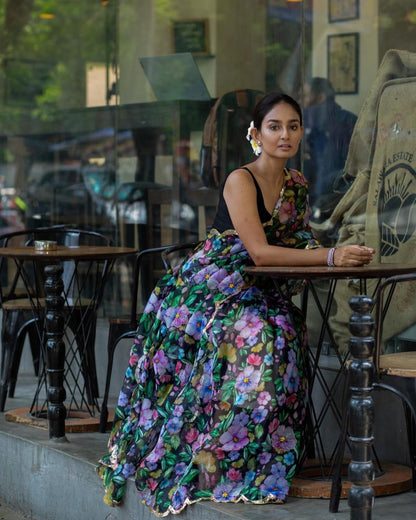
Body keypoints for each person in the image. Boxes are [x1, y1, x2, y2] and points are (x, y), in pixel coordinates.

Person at [97, 92, 374, 516]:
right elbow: (260, 251)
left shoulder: (296, 185)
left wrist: (335, 249)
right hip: (211, 283)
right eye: (275, 126)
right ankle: (216, 458)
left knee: (284, 333)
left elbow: (294, 240)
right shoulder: (239, 179)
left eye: (293, 126)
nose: (285, 135)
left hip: (261, 286)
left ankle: (264, 455)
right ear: (256, 134)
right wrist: (331, 256)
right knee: (258, 336)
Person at [302, 77, 357, 220]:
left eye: (306, 95)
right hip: (346, 198)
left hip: (315, 201)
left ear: (320, 97)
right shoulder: (352, 119)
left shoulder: (307, 118)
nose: (302, 100)